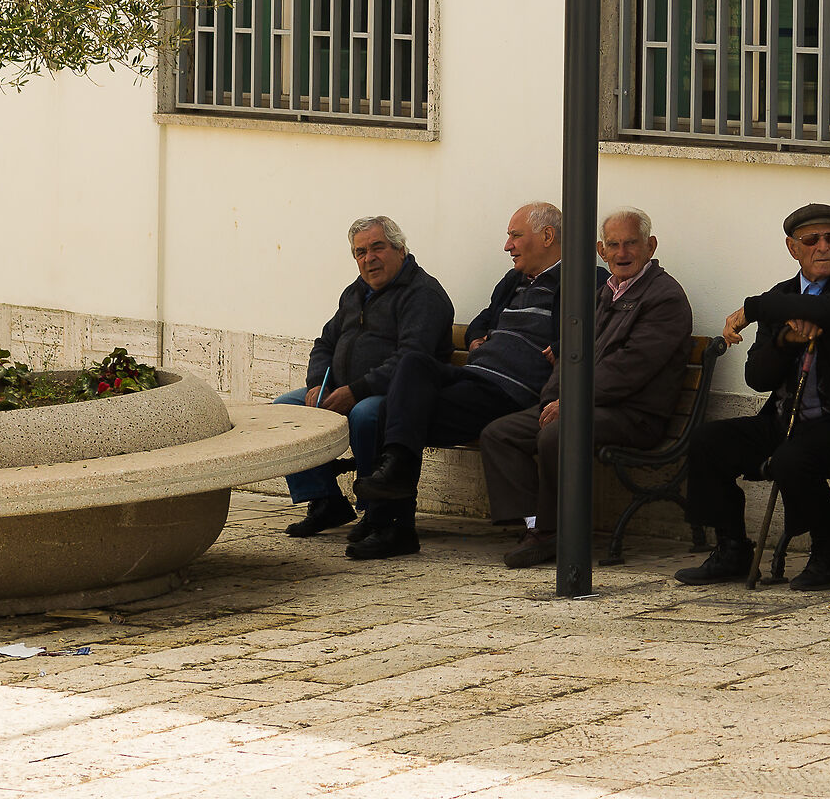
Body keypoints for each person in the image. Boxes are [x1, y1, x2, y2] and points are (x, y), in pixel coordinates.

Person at [352, 202, 603, 558]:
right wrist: (475, 337)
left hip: (511, 390)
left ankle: (392, 525)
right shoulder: (513, 281)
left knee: (391, 412)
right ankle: (392, 501)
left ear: (547, 236)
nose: (507, 246)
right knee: (412, 364)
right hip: (476, 377)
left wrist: (561, 347)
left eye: (515, 236)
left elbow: (595, 331)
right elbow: (482, 320)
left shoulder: (584, 279)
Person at [674, 202, 830, 592]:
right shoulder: (782, 297)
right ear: (792, 248)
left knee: (792, 458)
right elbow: (757, 378)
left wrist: (752, 309)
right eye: (811, 240)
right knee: (709, 441)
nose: (823, 247)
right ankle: (732, 549)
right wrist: (785, 340)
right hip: (787, 420)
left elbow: (829, 309)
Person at [479, 206, 694, 568]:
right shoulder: (605, 293)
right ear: (601, 250)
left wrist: (571, 402)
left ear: (651, 246)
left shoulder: (664, 297)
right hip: (589, 404)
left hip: (634, 414)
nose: (622, 253)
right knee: (500, 434)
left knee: (557, 433)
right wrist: (553, 398)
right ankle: (536, 525)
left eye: (631, 243)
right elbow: (572, 352)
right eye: (614, 245)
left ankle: (551, 531)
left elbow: (629, 369)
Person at [270, 216, 454, 543]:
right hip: (344, 388)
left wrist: (356, 391)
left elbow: (412, 359)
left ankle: (375, 510)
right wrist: (318, 383)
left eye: (377, 248)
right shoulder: (355, 293)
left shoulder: (422, 294)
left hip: (399, 395)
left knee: (366, 414)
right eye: (360, 252)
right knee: (286, 409)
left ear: (400, 249)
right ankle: (325, 501)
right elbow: (325, 343)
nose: (369, 259)